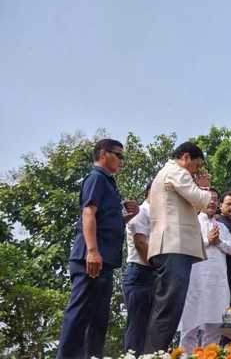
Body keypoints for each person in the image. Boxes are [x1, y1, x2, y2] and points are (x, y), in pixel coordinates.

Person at [57, 139, 139, 359]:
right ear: (103, 154)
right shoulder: (96, 178)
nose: (122, 161)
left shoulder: (109, 183)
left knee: (98, 318)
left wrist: (130, 215)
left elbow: (106, 222)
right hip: (91, 259)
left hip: (106, 261)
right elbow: (88, 214)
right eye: (119, 155)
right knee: (79, 315)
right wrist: (92, 251)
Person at [143, 142, 213, 353]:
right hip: (174, 246)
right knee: (169, 307)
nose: (197, 172)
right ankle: (154, 354)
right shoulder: (177, 171)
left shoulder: (166, 173)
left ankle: (154, 353)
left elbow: (189, 204)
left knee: (167, 305)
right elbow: (202, 201)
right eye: (196, 165)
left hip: (169, 246)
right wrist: (205, 186)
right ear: (185, 157)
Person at [180, 188, 231, 352]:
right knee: (189, 326)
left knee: (214, 326)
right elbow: (183, 244)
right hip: (195, 281)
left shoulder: (222, 227)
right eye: (208, 198)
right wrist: (207, 241)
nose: (212, 202)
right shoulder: (191, 222)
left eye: (215, 199)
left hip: (217, 283)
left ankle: (209, 355)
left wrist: (219, 242)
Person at [122, 181, 154, 356]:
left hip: (153, 275)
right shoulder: (141, 213)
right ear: (148, 193)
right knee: (137, 328)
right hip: (140, 274)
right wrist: (160, 268)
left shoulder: (159, 215)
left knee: (151, 328)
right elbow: (141, 245)